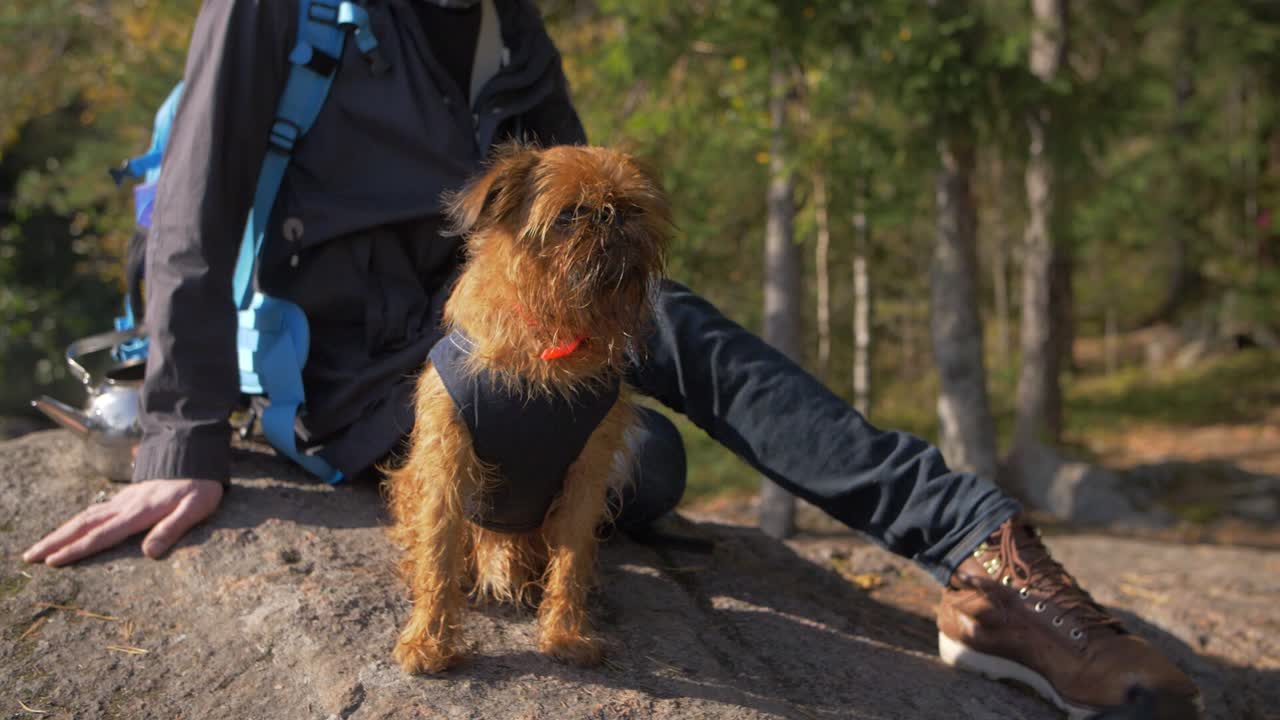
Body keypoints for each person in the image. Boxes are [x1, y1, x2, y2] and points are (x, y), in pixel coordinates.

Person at [22, 1, 1199, 716]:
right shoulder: (279, 7)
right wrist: (182, 440)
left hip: (504, 315)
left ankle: (985, 558)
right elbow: (193, 213)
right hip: (352, 369)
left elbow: (589, 231)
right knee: (648, 472)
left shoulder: (506, 24)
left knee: (665, 353)